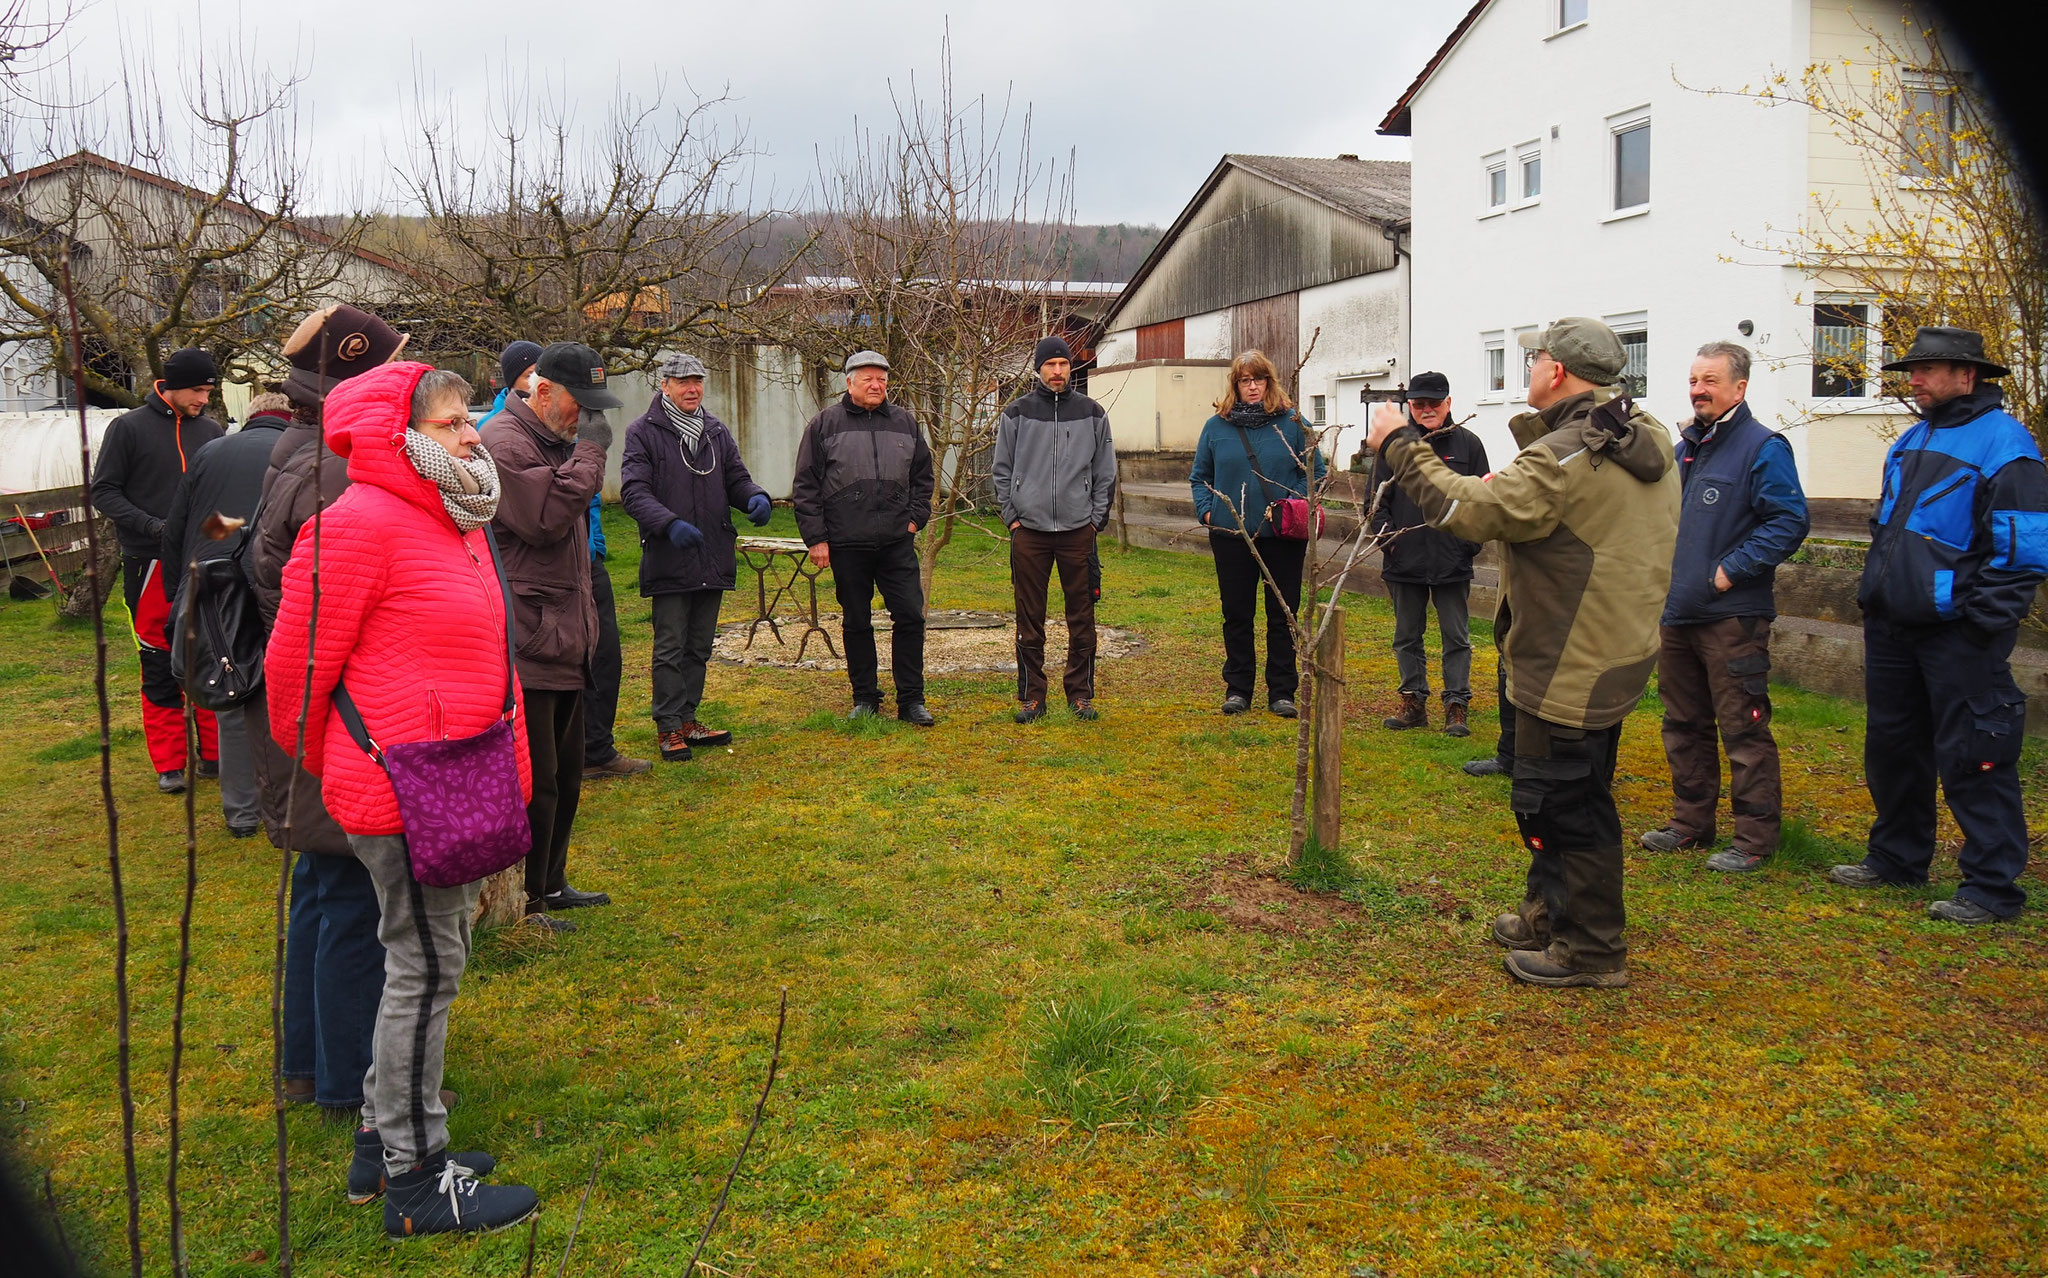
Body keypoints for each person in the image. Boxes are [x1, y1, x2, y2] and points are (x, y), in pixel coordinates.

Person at [266, 361, 537, 1237]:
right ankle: (416, 1181)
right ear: (401, 436)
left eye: (469, 419)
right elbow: (293, 680)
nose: (473, 434)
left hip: (454, 779)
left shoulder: (449, 519)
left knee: (430, 957)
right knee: (423, 972)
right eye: (455, 421)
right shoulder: (355, 527)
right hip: (405, 790)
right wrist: (363, 767)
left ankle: (380, 1145)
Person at [1365, 317, 1678, 989]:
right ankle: (1549, 913)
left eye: (1534, 358)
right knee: (1567, 790)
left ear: (1557, 371)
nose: (1529, 368)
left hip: (1571, 654)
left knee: (1563, 803)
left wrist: (1399, 445)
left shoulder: (1571, 455)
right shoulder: (1639, 433)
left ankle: (1591, 951)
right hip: (1613, 646)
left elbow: (1473, 512)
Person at [245, 304, 412, 1118]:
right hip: (344, 714)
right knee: (351, 901)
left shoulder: (298, 452)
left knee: (320, 889)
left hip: (313, 709)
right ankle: (350, 1081)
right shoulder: (340, 474)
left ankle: (306, 1063)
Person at [1830, 326, 2048, 924]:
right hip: (1894, 627)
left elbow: (2024, 552)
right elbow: (1888, 529)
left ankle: (1992, 888)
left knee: (1977, 755)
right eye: (1912, 371)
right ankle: (1897, 858)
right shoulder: (1913, 438)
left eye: (1928, 370)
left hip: (1960, 635)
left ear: (1967, 375)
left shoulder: (2008, 447)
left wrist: (1981, 626)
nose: (1915, 380)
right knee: (1894, 749)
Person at [1642, 342, 1809, 873]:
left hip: (1731, 618)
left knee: (1743, 728)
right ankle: (1690, 823)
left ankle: (1755, 840)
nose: (1698, 390)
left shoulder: (1763, 447)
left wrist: (1729, 570)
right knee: (1683, 723)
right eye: (1694, 380)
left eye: (1710, 381)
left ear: (1740, 388)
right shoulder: (1684, 449)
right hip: (1676, 614)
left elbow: (1788, 521)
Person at [480, 341, 617, 929]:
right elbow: (543, 519)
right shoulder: (504, 443)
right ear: (541, 391)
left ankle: (552, 883)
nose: (585, 416)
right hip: (530, 638)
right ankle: (527, 902)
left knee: (563, 774)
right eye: (577, 404)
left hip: (563, 634)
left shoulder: (549, 438)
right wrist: (590, 453)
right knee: (534, 781)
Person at [620, 352, 772, 760]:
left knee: (699, 646)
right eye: (683, 381)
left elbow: (736, 478)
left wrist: (754, 496)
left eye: (697, 381)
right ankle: (668, 726)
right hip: (670, 555)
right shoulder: (643, 432)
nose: (692, 388)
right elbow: (634, 492)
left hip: (711, 553)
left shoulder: (716, 431)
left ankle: (689, 719)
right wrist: (668, 524)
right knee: (670, 646)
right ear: (664, 385)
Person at [89, 348, 226, 793]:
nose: (204, 399)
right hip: (147, 562)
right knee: (158, 662)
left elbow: (218, 494)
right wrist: (152, 526)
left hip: (200, 561)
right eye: (198, 390)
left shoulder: (211, 430)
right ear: (170, 385)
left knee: (207, 655)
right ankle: (169, 764)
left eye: (208, 390)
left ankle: (215, 755)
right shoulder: (127, 428)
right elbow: (103, 492)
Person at [159, 391, 294, 838]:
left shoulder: (209, 452)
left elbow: (178, 530)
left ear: (250, 418)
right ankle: (290, 803)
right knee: (286, 693)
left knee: (233, 692)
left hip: (211, 589)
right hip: (270, 584)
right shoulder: (296, 451)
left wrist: (177, 600)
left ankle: (241, 813)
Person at [790, 350, 937, 726]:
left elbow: (923, 478)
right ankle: (865, 698)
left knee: (909, 616)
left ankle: (911, 700)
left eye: (882, 379)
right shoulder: (825, 425)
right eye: (868, 378)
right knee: (857, 620)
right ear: (849, 382)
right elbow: (806, 486)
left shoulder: (905, 423)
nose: (876, 385)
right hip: (846, 543)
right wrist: (816, 538)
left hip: (896, 543)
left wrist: (915, 520)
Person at [1188, 349, 1326, 718]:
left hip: (1282, 536)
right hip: (1231, 535)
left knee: (1283, 614)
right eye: (1245, 380)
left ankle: (1282, 691)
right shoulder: (1216, 426)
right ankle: (1238, 689)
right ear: (1235, 385)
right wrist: (1208, 511)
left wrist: (1293, 504)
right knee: (1237, 614)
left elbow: (1315, 471)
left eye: (1259, 379)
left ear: (1270, 381)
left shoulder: (1294, 422)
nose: (1253, 387)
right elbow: (1200, 476)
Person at [993, 336, 1118, 723]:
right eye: (1051, 365)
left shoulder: (1093, 413)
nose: (1058, 372)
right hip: (1028, 531)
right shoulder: (1016, 413)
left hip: (1079, 530)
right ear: (1039, 368)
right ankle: (1032, 696)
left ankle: (1080, 694)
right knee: (1029, 615)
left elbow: (1105, 472)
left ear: (1070, 368)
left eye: (1064, 365)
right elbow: (1000, 470)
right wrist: (1012, 516)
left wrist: (1096, 519)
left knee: (1081, 616)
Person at [1365, 371, 1489, 737]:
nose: (1426, 410)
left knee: (1457, 637)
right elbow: (1375, 503)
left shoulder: (1469, 445)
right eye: (1418, 404)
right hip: (1405, 561)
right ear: (1410, 407)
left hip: (1452, 562)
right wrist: (1391, 542)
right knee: (1407, 636)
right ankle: (1413, 701)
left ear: (1448, 403)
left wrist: (1468, 544)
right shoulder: (1393, 448)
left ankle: (1456, 704)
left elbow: (1484, 500)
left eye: (1434, 403)